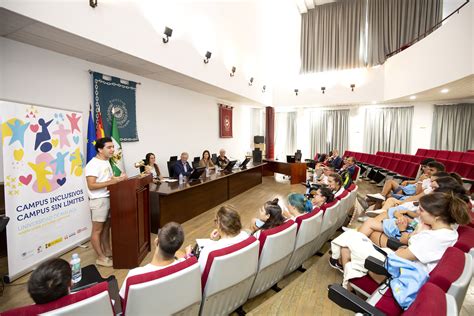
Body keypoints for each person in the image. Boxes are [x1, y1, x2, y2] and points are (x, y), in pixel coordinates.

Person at [330, 192, 471, 290]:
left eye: (421, 211)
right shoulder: (447, 232)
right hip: (404, 265)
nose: (418, 214)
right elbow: (409, 249)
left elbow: (400, 255)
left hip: (398, 273)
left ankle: (345, 278)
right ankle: (346, 278)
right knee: (349, 243)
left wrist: (403, 247)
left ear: (437, 216)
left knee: (349, 240)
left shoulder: (434, 238)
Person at [85, 137, 127, 267]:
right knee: (97, 230)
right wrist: (112, 181)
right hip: (99, 201)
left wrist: (118, 179)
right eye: (109, 147)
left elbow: (107, 179)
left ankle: (107, 251)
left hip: (108, 197)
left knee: (106, 227)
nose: (112, 149)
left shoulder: (106, 161)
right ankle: (101, 258)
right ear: (100, 149)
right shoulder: (93, 164)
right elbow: (91, 185)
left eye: (113, 147)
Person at [119, 222, 185, 298]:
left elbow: (122, 302)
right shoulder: (184, 265)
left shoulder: (134, 275)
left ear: (156, 241)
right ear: (178, 247)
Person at [185, 205, 249, 272]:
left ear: (219, 224)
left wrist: (188, 255)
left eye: (216, 221)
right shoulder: (246, 236)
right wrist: (221, 234)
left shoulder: (209, 252)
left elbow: (196, 273)